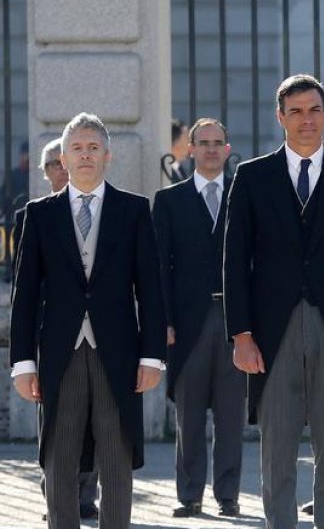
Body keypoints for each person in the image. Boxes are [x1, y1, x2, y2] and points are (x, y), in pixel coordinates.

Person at [223, 75, 324, 529]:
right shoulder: (252, 177)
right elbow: (233, 263)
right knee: (276, 451)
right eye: (295, 111)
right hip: (271, 334)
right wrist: (241, 334)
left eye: (314, 110)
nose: (306, 120)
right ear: (280, 118)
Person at [9, 113, 167, 529]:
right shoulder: (39, 215)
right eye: (76, 148)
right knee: (59, 457)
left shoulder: (133, 210)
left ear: (107, 156)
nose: (85, 155)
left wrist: (152, 357)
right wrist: (23, 363)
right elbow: (25, 295)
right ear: (62, 158)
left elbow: (150, 289)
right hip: (60, 354)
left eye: (93, 147)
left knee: (116, 457)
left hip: (117, 353)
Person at [152, 118, 243, 518]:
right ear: (189, 149)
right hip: (187, 324)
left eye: (217, 142)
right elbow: (159, 269)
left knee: (230, 416)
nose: (210, 149)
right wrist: (164, 321)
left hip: (233, 322)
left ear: (227, 149)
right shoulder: (169, 201)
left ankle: (229, 496)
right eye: (202, 142)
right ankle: (189, 494)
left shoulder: (245, 198)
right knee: (188, 415)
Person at [11, 139, 101, 520]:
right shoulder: (32, 217)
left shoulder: (103, 209)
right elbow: (25, 286)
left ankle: (86, 494)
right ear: (45, 171)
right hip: (54, 334)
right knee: (57, 423)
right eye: (52, 165)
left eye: (61, 163)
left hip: (98, 336)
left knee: (95, 425)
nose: (60, 170)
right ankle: (57, 494)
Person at [165, 119, 192, 184]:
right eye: (187, 138)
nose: (191, 143)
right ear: (176, 142)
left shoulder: (180, 169)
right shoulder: (165, 170)